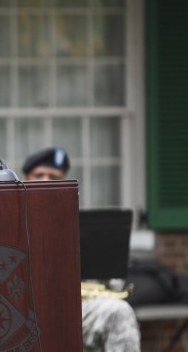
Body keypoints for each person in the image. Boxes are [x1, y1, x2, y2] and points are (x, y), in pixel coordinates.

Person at [22, 147, 141, 352]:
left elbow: (110, 283)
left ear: (65, 181)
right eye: (39, 175)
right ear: (25, 178)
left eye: (54, 176)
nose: (46, 181)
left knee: (119, 312)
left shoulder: (85, 225)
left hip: (77, 308)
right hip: (25, 310)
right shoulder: (8, 218)